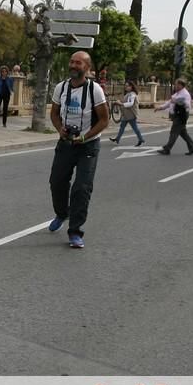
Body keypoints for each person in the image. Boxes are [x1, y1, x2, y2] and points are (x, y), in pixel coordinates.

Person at [48, 51, 109, 249]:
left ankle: (75, 231)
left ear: (87, 68)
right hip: (65, 143)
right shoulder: (61, 87)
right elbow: (55, 114)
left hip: (88, 144)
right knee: (57, 182)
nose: (74, 65)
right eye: (72, 62)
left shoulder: (95, 90)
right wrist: (60, 130)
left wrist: (85, 136)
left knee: (81, 188)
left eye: (79, 63)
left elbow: (104, 120)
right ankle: (61, 213)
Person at [154, 78, 193, 156]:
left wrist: (178, 101)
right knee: (183, 133)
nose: (175, 86)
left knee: (174, 132)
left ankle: (167, 149)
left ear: (181, 85)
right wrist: (160, 107)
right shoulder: (177, 93)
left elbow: (187, 105)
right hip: (177, 114)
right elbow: (169, 102)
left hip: (181, 115)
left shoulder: (185, 94)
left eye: (176, 84)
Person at [109, 81, 146, 146]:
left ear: (131, 87)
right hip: (126, 115)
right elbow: (125, 101)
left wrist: (120, 103)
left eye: (127, 86)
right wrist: (118, 102)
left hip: (131, 114)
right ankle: (117, 139)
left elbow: (130, 104)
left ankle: (141, 139)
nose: (126, 87)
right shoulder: (128, 94)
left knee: (134, 128)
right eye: (125, 86)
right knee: (122, 127)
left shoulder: (132, 94)